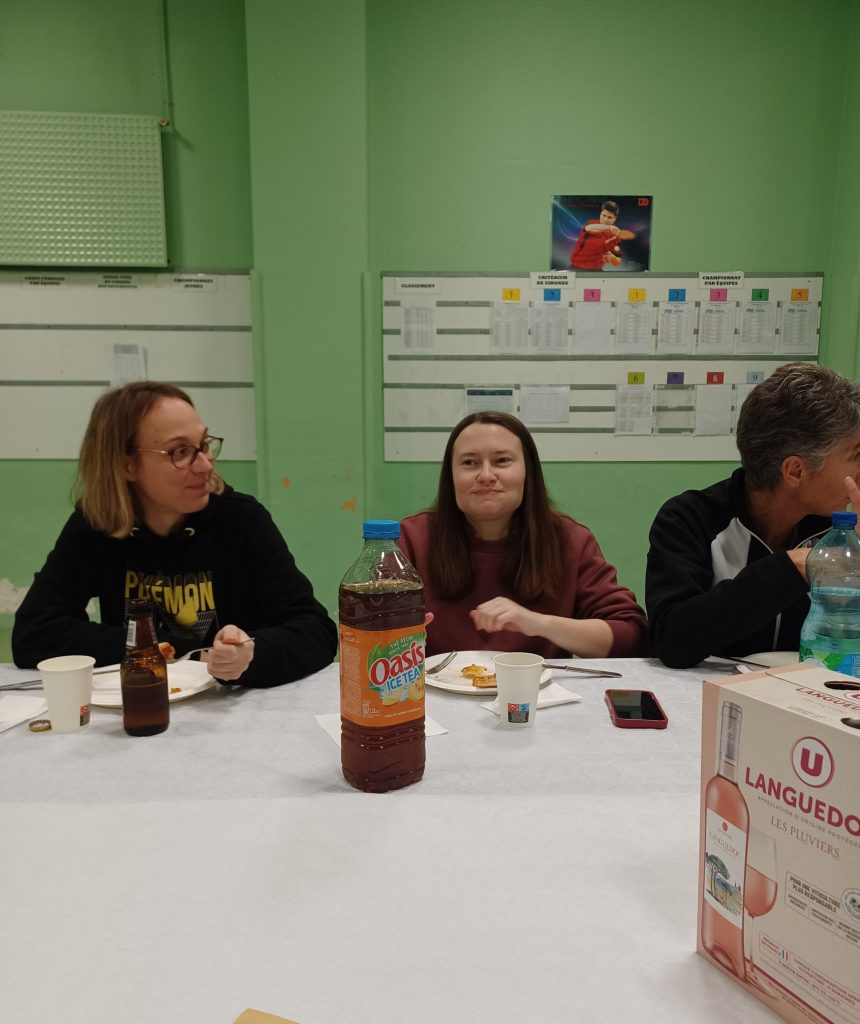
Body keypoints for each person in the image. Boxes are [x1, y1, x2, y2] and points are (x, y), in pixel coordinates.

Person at [12, 381, 337, 687]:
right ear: (126, 466)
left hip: (231, 707)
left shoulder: (241, 519)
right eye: (180, 452)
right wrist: (165, 648)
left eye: (204, 445)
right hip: (139, 699)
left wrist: (252, 654)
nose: (206, 465)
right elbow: (34, 634)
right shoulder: (97, 525)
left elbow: (316, 630)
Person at [646, 362, 860, 669]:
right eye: (856, 455)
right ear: (795, 471)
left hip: (809, 690)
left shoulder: (842, 530)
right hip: (709, 693)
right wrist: (794, 566)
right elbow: (672, 640)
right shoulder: (689, 519)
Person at [398, 411, 648, 659]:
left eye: (502, 460)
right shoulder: (410, 538)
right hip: (432, 685)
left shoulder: (570, 540)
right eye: (469, 463)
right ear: (450, 475)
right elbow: (374, 629)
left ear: (527, 471)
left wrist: (539, 623)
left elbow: (630, 637)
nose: (486, 476)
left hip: (540, 686)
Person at [570, 200, 636, 271]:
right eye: (604, 215)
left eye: (609, 217)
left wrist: (611, 258)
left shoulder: (616, 237)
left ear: (614, 219)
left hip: (596, 271)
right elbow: (588, 228)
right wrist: (609, 227)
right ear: (600, 214)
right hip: (577, 268)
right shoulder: (591, 223)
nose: (605, 219)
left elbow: (617, 262)